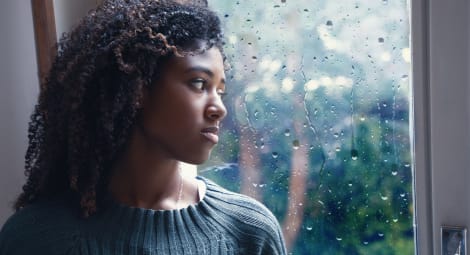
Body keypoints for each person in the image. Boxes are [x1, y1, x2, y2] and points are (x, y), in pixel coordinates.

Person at [0, 0, 287, 254]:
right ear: (138, 89)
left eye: (220, 91)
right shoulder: (36, 239)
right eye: (199, 84)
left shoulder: (250, 233)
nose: (219, 109)